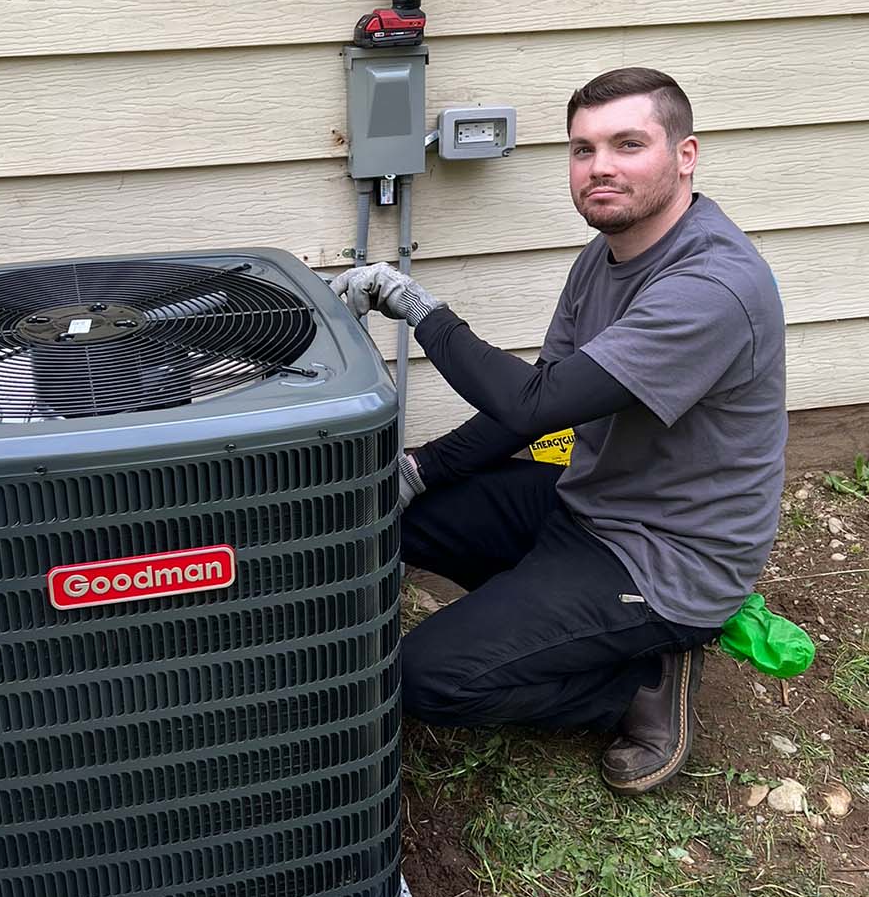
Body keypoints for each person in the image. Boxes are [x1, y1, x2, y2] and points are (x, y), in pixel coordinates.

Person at [331, 67, 787, 794]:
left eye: (627, 144)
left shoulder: (711, 288)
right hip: (590, 503)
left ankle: (637, 684)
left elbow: (532, 405)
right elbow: (541, 403)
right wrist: (418, 473)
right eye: (583, 149)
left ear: (685, 154)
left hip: (666, 559)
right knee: (379, 518)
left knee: (426, 678)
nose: (600, 166)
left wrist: (415, 304)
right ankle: (552, 621)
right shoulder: (604, 256)